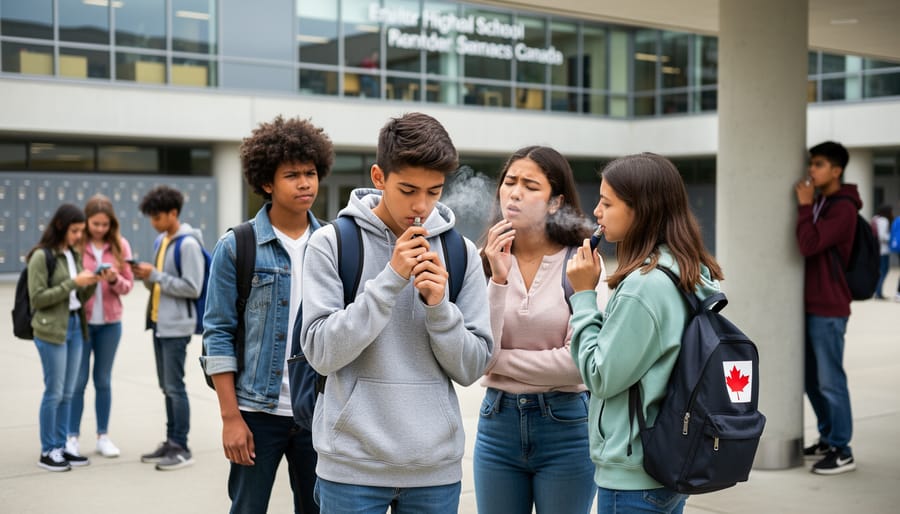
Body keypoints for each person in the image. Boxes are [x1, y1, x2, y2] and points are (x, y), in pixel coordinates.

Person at [300, 112, 494, 513]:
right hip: (350, 468)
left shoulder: (461, 254)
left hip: (434, 471)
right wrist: (390, 280)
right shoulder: (331, 244)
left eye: (434, 191)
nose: (421, 205)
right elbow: (320, 355)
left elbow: (472, 367)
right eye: (408, 189)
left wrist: (439, 307)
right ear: (378, 177)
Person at [566, 153, 724, 513]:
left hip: (634, 477)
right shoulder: (685, 270)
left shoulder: (645, 287)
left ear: (641, 210)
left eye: (607, 203)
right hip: (667, 461)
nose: (596, 212)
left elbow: (601, 375)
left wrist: (584, 296)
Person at [202, 115, 334, 514]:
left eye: (310, 173)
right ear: (266, 182)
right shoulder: (237, 246)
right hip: (257, 411)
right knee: (247, 508)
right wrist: (230, 419)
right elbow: (218, 334)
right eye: (292, 175)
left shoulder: (333, 243)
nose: (305, 183)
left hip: (316, 411)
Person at [474, 145, 605, 514]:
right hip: (496, 425)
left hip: (566, 427)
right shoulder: (481, 261)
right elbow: (478, 356)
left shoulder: (582, 263)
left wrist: (498, 361)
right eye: (509, 182)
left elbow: (579, 363)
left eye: (531, 186)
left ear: (555, 202)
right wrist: (498, 280)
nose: (515, 192)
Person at [794, 141, 859, 475]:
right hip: (809, 305)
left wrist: (804, 207)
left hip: (830, 308)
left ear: (837, 170)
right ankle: (828, 437)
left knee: (831, 380)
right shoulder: (822, 203)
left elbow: (810, 244)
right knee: (809, 380)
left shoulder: (843, 208)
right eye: (811, 163)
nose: (811, 170)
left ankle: (843, 448)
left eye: (818, 164)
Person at [131, 185, 205, 471]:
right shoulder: (161, 240)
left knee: (175, 387)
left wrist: (157, 274)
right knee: (166, 386)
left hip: (177, 326)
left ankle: (181, 446)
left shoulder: (187, 244)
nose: (153, 222)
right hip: (159, 323)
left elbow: (193, 287)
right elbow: (158, 283)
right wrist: (147, 276)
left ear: (173, 213)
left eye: (157, 216)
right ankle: (171, 440)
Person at [28, 203, 100, 471]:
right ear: (60, 226)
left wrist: (93, 282)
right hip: (50, 330)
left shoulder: (72, 254)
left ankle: (62, 446)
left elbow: (78, 297)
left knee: (68, 392)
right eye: (75, 230)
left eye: (81, 231)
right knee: (54, 391)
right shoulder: (41, 256)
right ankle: (48, 451)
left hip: (74, 326)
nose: (79, 236)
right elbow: (37, 298)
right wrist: (73, 283)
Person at [66, 194, 134, 460]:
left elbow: (128, 286)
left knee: (103, 380)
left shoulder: (121, 245)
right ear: (86, 221)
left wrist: (115, 279)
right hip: (80, 324)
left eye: (105, 224)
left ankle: (102, 436)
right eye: (95, 224)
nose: (100, 229)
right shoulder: (76, 244)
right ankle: (71, 437)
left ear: (112, 224)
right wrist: (84, 280)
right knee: (78, 381)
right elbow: (67, 280)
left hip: (109, 324)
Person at [871, 205, 893, 299]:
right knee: (883, 271)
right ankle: (878, 292)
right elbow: (882, 236)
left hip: (875, 249)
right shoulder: (884, 220)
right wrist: (891, 238)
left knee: (878, 271)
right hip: (883, 250)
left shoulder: (875, 218)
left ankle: (877, 291)